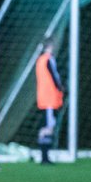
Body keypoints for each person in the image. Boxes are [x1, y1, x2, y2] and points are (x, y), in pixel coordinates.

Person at [33, 37, 63, 165]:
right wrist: (61, 88)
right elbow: (54, 76)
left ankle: (44, 156)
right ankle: (45, 157)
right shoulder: (48, 59)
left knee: (45, 125)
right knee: (48, 127)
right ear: (50, 46)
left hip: (43, 97)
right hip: (50, 98)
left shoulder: (39, 60)